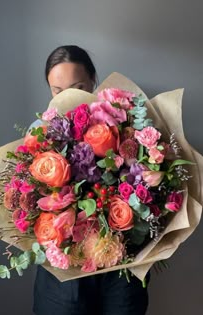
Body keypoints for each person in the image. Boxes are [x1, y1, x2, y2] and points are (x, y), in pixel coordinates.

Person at [33, 45, 149, 315]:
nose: (68, 97)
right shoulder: (39, 134)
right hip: (63, 275)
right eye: (57, 91)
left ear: (93, 80)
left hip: (119, 269)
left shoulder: (127, 124)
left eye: (78, 86)